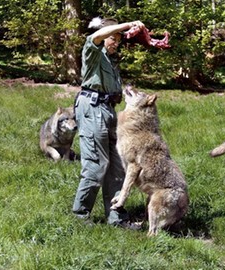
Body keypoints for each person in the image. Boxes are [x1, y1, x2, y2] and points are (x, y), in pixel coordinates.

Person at [72, 17, 145, 228]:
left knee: (117, 167)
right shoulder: (93, 52)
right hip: (92, 109)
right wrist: (127, 25)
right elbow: (95, 36)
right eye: (113, 38)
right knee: (96, 164)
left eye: (119, 40)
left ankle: (116, 217)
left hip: (109, 111)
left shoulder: (112, 61)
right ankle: (80, 216)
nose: (116, 42)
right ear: (105, 36)